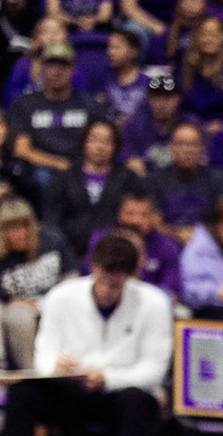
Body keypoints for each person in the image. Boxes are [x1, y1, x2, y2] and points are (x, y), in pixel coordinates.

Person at [0, 233, 170, 436]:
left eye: (116, 285)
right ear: (93, 268)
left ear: (130, 277)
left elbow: (154, 369)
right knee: (23, 393)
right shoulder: (62, 297)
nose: (107, 291)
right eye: (103, 281)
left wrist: (108, 378)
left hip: (118, 392)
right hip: (71, 390)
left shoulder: (154, 304)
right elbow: (44, 352)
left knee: (139, 401)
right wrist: (56, 369)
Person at [9, 40, 108, 178]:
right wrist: (57, 163)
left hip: (81, 169)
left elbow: (102, 146)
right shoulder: (24, 104)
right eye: (51, 64)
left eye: (63, 64)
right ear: (43, 66)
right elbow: (22, 150)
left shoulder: (90, 104)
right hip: (40, 170)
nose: (57, 70)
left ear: (73, 68)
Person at [44, 117, 137, 255]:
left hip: (116, 251)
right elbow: (52, 220)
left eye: (107, 141)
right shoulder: (64, 178)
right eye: (94, 140)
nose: (100, 147)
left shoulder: (127, 178)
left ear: (115, 146)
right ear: (84, 142)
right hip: (71, 250)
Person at [0, 198, 73, 370]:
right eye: (12, 228)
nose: (20, 233)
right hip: (16, 307)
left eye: (24, 226)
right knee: (19, 318)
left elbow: (71, 278)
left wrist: (52, 301)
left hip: (54, 299)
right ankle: (31, 374)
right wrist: (9, 302)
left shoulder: (52, 239)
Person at [150, 121, 223, 240]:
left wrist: (196, 236)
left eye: (193, 144)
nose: (187, 150)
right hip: (169, 242)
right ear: (171, 146)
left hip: (208, 243)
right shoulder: (156, 179)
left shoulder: (218, 179)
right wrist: (179, 235)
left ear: (202, 148)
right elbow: (154, 222)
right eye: (181, 144)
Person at [89, 190, 182, 297]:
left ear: (154, 217)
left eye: (143, 215)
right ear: (119, 214)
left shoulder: (167, 245)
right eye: (130, 213)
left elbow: (171, 290)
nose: (136, 221)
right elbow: (88, 279)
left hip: (148, 305)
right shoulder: (101, 241)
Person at [119, 72, 184, 175]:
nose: (161, 104)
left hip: (179, 182)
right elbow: (126, 157)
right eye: (156, 97)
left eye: (167, 97)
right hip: (144, 182)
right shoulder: (134, 125)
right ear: (148, 99)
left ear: (178, 99)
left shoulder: (188, 127)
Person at [100, 29, 149, 124]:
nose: (110, 53)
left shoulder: (147, 83)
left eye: (116, 48)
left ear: (133, 51)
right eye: (109, 47)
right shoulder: (103, 78)